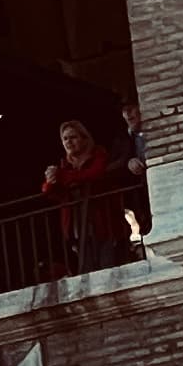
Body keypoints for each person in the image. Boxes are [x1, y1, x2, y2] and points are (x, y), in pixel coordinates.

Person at [41, 115, 134, 270]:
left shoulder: (98, 154)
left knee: (107, 266)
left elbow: (94, 174)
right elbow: (49, 192)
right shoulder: (64, 166)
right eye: (65, 139)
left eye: (73, 137)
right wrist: (50, 181)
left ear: (84, 139)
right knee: (87, 268)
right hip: (77, 226)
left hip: (103, 222)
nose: (68, 142)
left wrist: (63, 177)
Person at [117, 97, 152, 239]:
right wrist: (128, 163)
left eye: (131, 108)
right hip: (140, 197)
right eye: (124, 110)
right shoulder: (122, 139)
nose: (128, 113)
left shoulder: (157, 133)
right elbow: (113, 166)